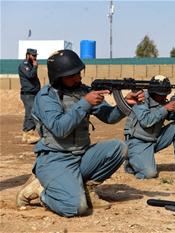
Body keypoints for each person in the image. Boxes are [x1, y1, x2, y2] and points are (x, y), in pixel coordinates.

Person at [16, 49, 144, 217]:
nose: (78, 77)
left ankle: (87, 188)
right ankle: (41, 191)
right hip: (55, 159)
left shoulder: (83, 91)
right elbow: (59, 129)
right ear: (58, 76)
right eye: (72, 75)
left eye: (78, 73)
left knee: (119, 148)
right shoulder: (46, 97)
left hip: (81, 155)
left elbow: (109, 117)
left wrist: (125, 104)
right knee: (76, 207)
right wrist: (84, 103)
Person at [124, 75, 175, 179]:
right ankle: (131, 160)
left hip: (153, 140)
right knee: (150, 174)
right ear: (153, 92)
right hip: (137, 142)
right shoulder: (141, 99)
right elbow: (146, 121)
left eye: (165, 94)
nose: (163, 97)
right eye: (160, 95)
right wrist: (165, 108)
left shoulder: (163, 103)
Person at [18, 48, 41, 144]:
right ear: (28, 55)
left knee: (30, 112)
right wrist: (35, 67)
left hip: (33, 93)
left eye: (36, 56)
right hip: (27, 94)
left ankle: (26, 134)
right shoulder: (24, 65)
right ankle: (29, 133)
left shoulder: (31, 65)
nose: (35, 57)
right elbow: (30, 76)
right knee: (31, 112)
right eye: (33, 56)